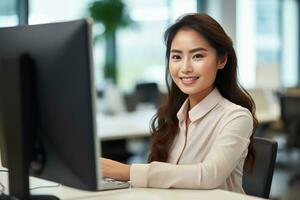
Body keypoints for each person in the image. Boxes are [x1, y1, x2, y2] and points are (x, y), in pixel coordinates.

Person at [101, 13, 258, 194]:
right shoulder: (173, 116)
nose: (185, 68)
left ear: (221, 60)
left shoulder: (236, 117)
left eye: (197, 56)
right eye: (176, 57)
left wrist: (125, 172)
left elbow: (209, 175)